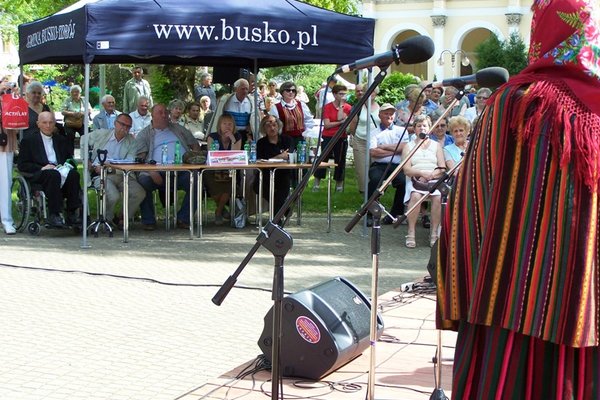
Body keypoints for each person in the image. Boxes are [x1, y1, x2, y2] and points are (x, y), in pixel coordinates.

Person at [437, 0, 600, 397]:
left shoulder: (512, 101)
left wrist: (461, 278)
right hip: (586, 302)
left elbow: (471, 200)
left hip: (507, 296)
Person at [134, 104, 200, 230]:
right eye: (160, 112)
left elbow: (195, 145)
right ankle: (148, 220)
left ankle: (184, 218)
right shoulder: (144, 134)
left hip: (181, 170)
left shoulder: (178, 129)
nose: (164, 115)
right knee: (142, 182)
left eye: (166, 112)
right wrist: (151, 171)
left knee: (197, 180)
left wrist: (194, 159)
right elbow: (140, 160)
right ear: (152, 116)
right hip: (156, 172)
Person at [17, 112, 82, 228]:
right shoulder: (29, 141)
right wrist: (42, 168)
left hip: (60, 171)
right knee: (53, 175)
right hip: (41, 173)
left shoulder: (61, 140)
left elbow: (68, 159)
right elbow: (22, 165)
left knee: (73, 175)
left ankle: (72, 212)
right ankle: (54, 214)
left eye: (51, 122)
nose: (48, 126)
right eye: (44, 122)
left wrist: (66, 166)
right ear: (38, 124)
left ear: (54, 124)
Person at [88, 113, 145, 229]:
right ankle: (106, 220)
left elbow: (128, 163)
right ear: (115, 123)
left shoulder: (132, 142)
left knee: (140, 193)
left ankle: (121, 218)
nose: (125, 128)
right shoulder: (103, 135)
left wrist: (108, 166)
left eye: (128, 126)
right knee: (113, 196)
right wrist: (87, 161)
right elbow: (84, 141)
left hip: (123, 175)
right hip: (102, 175)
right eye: (122, 124)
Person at [401, 115, 446, 248]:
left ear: (430, 128)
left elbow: (442, 167)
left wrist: (431, 175)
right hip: (416, 179)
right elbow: (406, 169)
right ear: (414, 129)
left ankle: (434, 234)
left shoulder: (436, 146)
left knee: (437, 197)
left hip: (433, 179)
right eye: (419, 125)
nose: (422, 128)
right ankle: (411, 232)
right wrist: (420, 173)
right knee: (415, 196)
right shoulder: (408, 146)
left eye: (425, 125)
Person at [367, 103, 408, 225]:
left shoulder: (401, 130)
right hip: (379, 165)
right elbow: (373, 152)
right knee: (374, 180)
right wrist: (395, 151)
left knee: (404, 181)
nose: (389, 116)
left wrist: (383, 147)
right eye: (386, 113)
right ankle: (371, 213)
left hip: (397, 165)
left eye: (391, 113)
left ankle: (395, 213)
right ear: (380, 115)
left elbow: (404, 147)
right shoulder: (373, 132)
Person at [312, 84, 351, 192]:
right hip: (328, 136)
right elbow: (327, 124)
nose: (343, 96)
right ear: (334, 94)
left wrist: (342, 107)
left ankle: (339, 185)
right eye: (340, 94)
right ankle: (316, 183)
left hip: (341, 137)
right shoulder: (327, 107)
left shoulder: (348, 107)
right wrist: (340, 123)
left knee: (340, 160)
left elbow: (340, 117)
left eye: (345, 94)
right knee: (323, 158)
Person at [205, 114, 242, 225]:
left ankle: (218, 212)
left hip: (230, 169)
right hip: (213, 169)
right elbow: (212, 154)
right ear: (219, 125)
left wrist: (232, 139)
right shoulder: (212, 136)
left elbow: (236, 155)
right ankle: (222, 209)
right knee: (214, 188)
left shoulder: (237, 137)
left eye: (230, 124)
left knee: (229, 186)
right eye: (224, 124)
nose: (227, 126)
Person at [255, 115, 294, 216]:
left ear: (278, 126)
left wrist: (271, 159)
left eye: (274, 124)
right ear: (264, 128)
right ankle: (284, 210)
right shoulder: (261, 143)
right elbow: (259, 161)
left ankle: (276, 219)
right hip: (266, 174)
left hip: (283, 173)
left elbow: (290, 156)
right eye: (268, 126)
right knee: (258, 186)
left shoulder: (287, 140)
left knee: (284, 186)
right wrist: (279, 157)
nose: (272, 128)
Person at [348, 84, 380, 194]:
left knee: (375, 170)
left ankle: (374, 193)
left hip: (375, 143)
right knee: (361, 170)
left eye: (373, 92)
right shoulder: (358, 107)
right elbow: (353, 124)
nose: (370, 94)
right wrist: (355, 136)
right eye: (368, 92)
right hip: (360, 141)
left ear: (376, 94)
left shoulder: (380, 107)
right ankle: (364, 193)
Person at [209, 78, 256, 145]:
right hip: (228, 134)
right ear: (236, 89)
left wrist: (250, 135)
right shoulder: (226, 101)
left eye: (246, 89)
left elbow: (251, 122)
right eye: (242, 89)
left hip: (244, 135)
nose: (245, 91)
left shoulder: (251, 102)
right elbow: (219, 118)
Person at [0, 95, 18, 234]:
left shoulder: (11, 100)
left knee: (5, 183)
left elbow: (18, 124)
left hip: (5, 144)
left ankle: (6, 220)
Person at [61, 85, 91, 152]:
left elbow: (89, 110)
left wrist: (82, 113)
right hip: (70, 123)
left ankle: (86, 154)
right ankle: (70, 154)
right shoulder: (67, 100)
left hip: (82, 122)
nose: (75, 93)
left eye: (77, 92)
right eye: (73, 92)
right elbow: (63, 111)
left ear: (80, 93)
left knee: (85, 135)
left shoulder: (84, 100)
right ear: (71, 93)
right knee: (69, 135)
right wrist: (72, 114)